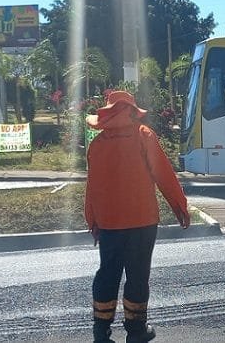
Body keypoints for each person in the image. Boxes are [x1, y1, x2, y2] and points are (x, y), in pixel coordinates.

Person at [85, 90, 191, 343]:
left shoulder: (97, 144)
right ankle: (136, 331)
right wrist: (180, 206)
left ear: (109, 114)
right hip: (142, 222)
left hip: (110, 223)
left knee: (107, 273)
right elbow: (164, 174)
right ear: (132, 111)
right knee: (138, 275)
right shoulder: (144, 136)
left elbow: (93, 187)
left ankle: (101, 332)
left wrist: (93, 221)